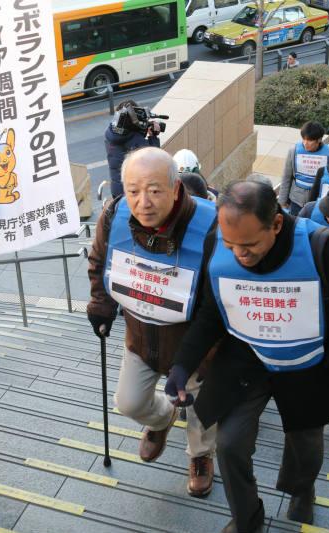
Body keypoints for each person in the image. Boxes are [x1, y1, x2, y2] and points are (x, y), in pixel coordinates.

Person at [164, 181, 329, 530]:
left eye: (249, 245)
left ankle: (301, 488)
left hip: (307, 366)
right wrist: (182, 365)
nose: (239, 255)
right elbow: (210, 311)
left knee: (305, 446)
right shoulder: (216, 241)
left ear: (277, 224)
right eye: (231, 245)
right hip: (246, 359)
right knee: (230, 444)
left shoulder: (325, 248)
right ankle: (247, 518)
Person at [87, 147, 218, 497]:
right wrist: (101, 304)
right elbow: (99, 259)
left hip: (194, 348)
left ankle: (201, 456)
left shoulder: (210, 227)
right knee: (129, 402)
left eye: (155, 190)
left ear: (176, 189)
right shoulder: (114, 213)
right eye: (133, 190)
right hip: (140, 337)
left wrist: (202, 354)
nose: (142, 201)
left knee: (200, 411)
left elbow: (218, 301)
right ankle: (162, 420)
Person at [105, 99, 161, 198]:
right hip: (131, 193)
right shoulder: (134, 139)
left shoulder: (110, 132)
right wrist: (153, 136)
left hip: (116, 190)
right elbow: (154, 159)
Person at [278, 121, 329, 216]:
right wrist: (282, 201)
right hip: (296, 200)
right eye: (303, 139)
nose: (305, 143)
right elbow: (286, 177)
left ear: (319, 139)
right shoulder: (294, 151)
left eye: (310, 140)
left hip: (318, 201)